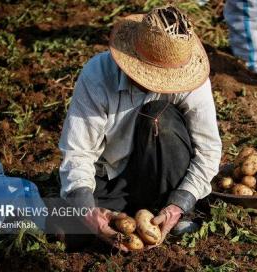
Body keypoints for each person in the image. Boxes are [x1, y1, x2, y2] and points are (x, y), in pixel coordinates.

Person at [57, 5, 222, 251]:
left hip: (163, 177)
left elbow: (208, 151)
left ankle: (171, 214)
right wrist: (88, 210)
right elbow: (77, 152)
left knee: (159, 116)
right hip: (110, 177)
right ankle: (118, 214)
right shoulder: (98, 75)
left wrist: (179, 202)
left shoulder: (189, 76)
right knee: (71, 232)